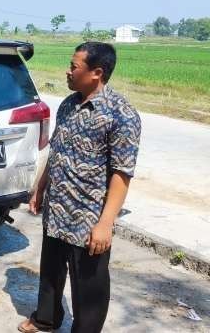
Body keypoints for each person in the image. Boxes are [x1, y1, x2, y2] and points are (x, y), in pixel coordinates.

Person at [18, 42, 142, 333]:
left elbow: (122, 175)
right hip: (58, 209)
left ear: (96, 72)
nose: (68, 71)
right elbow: (57, 150)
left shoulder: (120, 115)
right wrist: (40, 187)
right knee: (50, 271)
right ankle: (46, 318)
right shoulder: (68, 105)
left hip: (88, 218)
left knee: (90, 286)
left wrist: (105, 223)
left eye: (74, 67)